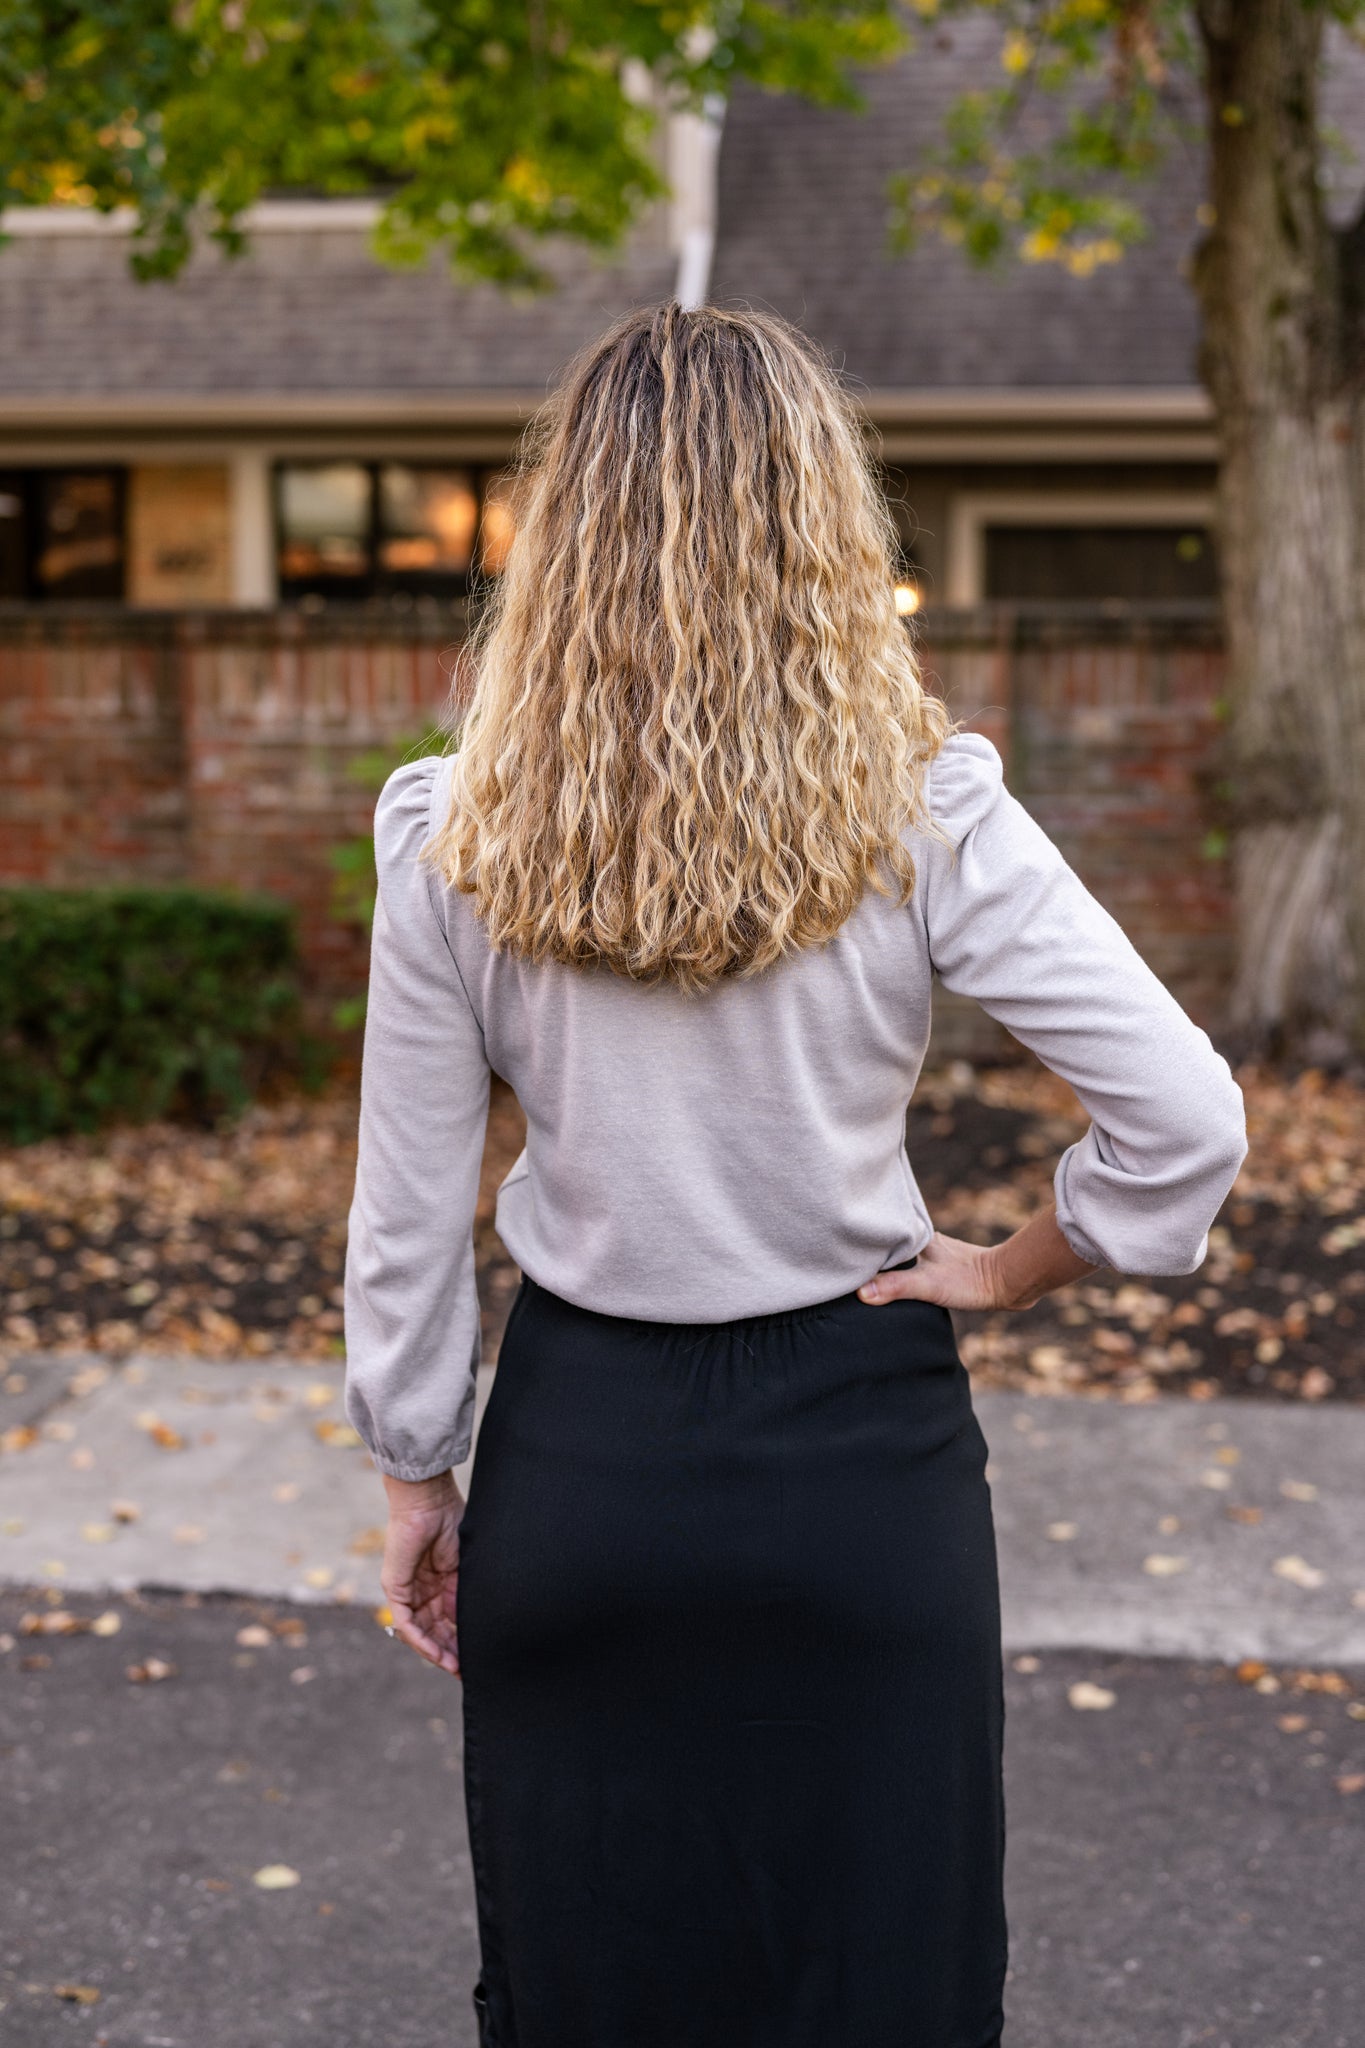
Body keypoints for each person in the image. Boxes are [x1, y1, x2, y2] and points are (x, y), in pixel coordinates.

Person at [342, 302, 1248, 2048]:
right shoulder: (921, 813)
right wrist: (1005, 1268)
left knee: (599, 1985)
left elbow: (408, 1210)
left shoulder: (449, 833)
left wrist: (414, 1475)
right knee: (877, 1986)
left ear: (567, 536)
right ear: (822, 528)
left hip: (583, 1464)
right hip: (859, 1467)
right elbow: (1187, 1122)